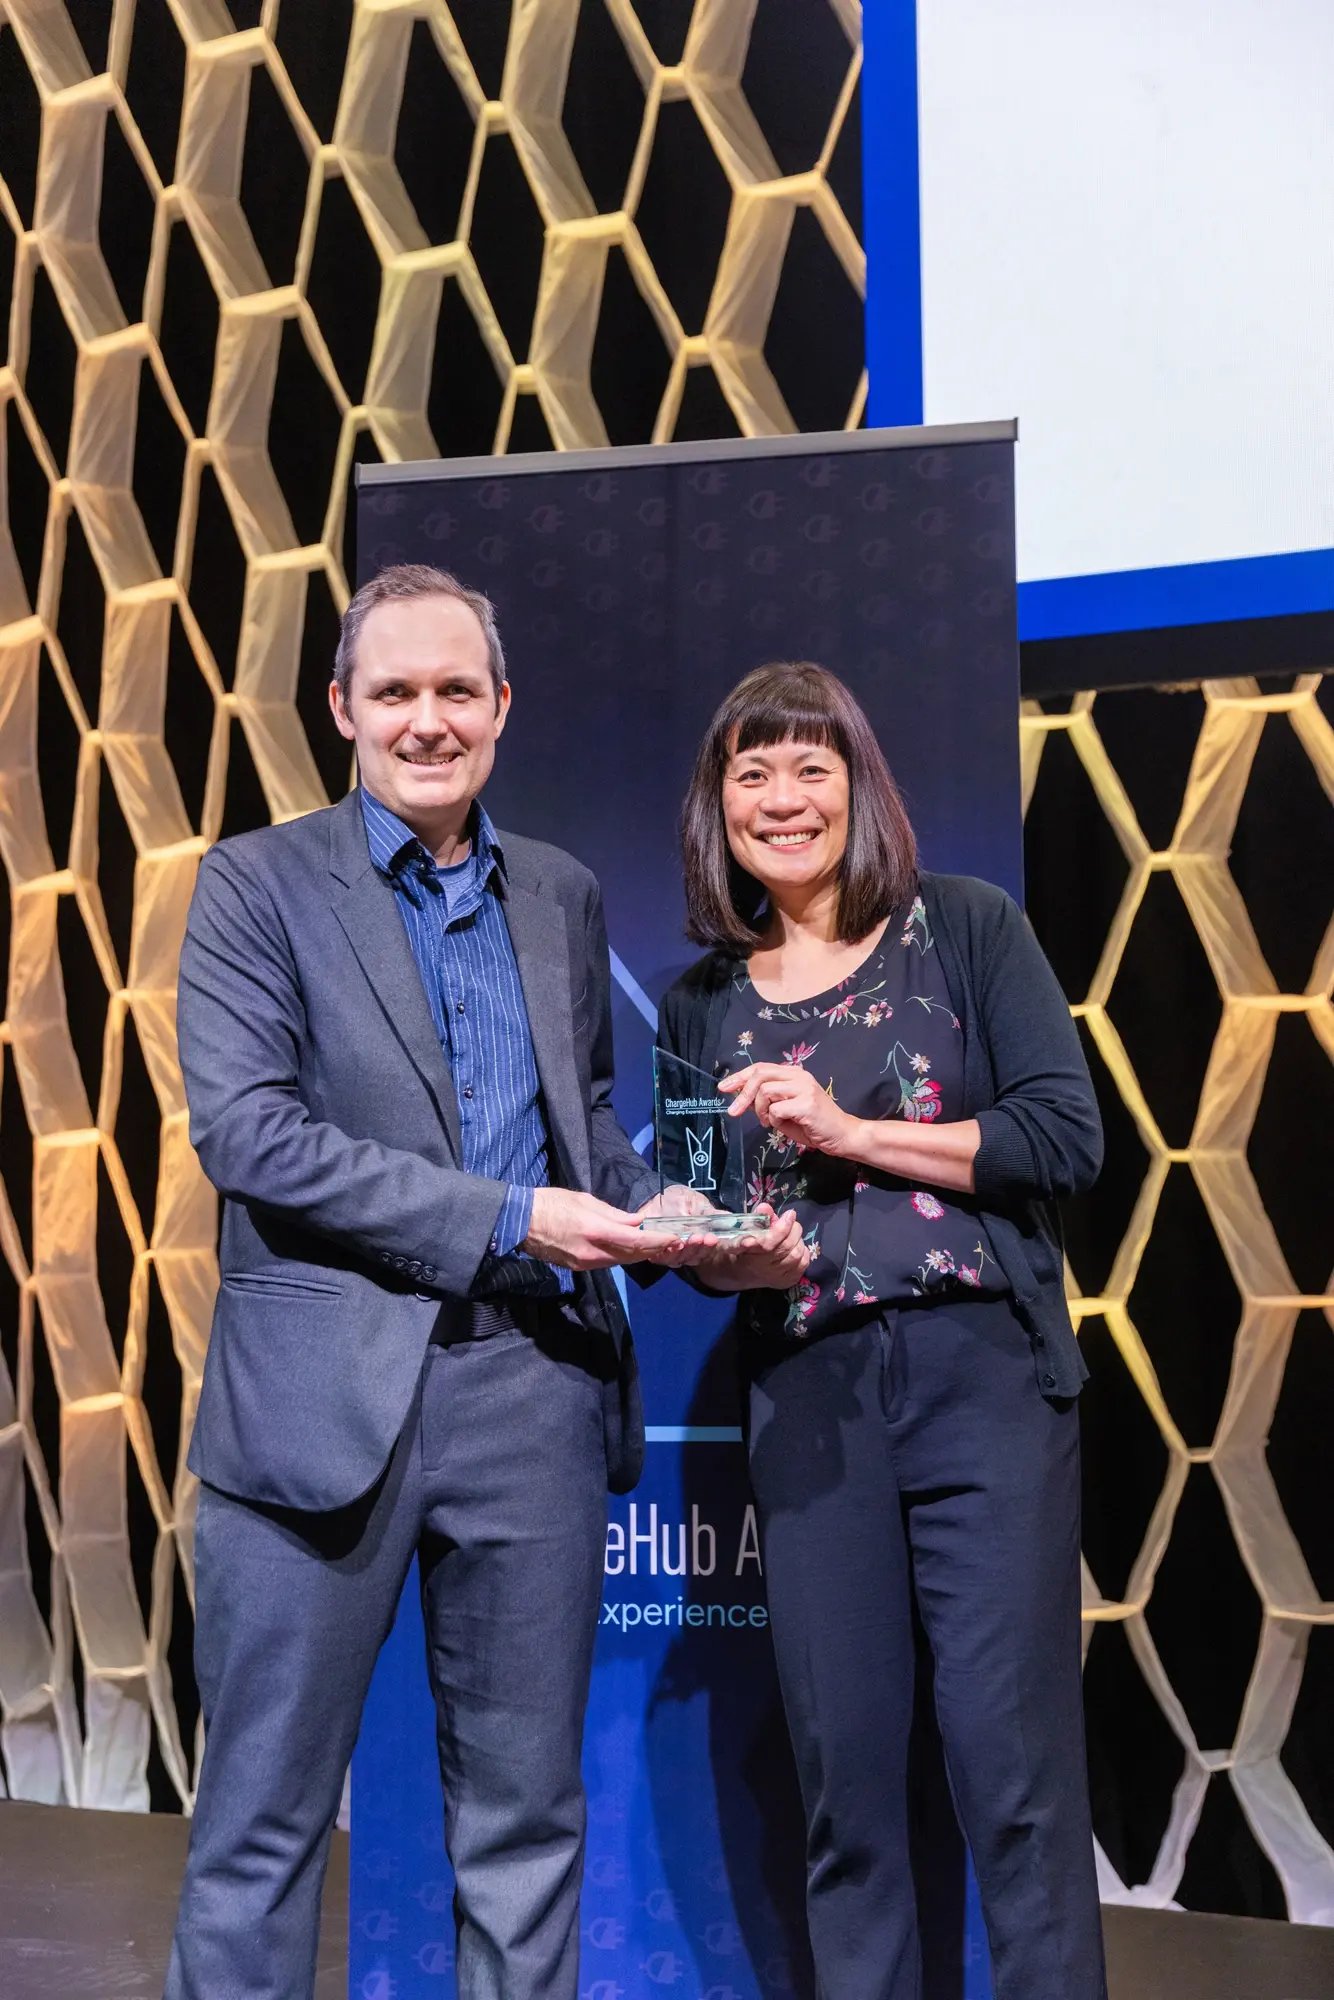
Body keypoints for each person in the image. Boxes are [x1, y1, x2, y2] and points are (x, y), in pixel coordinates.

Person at [163, 563, 804, 2000]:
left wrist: (687, 1224)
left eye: (457, 690)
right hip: (318, 1412)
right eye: (395, 692)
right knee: (261, 1829)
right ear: (341, 707)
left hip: (533, 1397)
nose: (428, 720)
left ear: (502, 708)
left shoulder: (560, 894)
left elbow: (578, 1124)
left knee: (523, 1830)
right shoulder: (254, 884)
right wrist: (518, 1218)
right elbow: (253, 1138)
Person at [656, 661, 1108, 2000]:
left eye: (811, 767)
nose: (782, 798)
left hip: (986, 1389)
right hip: (811, 1406)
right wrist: (737, 1256)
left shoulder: (960, 930)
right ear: (716, 805)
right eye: (752, 772)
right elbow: (699, 1238)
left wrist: (851, 1135)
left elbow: (1061, 1137)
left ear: (857, 787)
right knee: (842, 1775)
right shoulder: (698, 1005)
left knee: (1009, 1773)